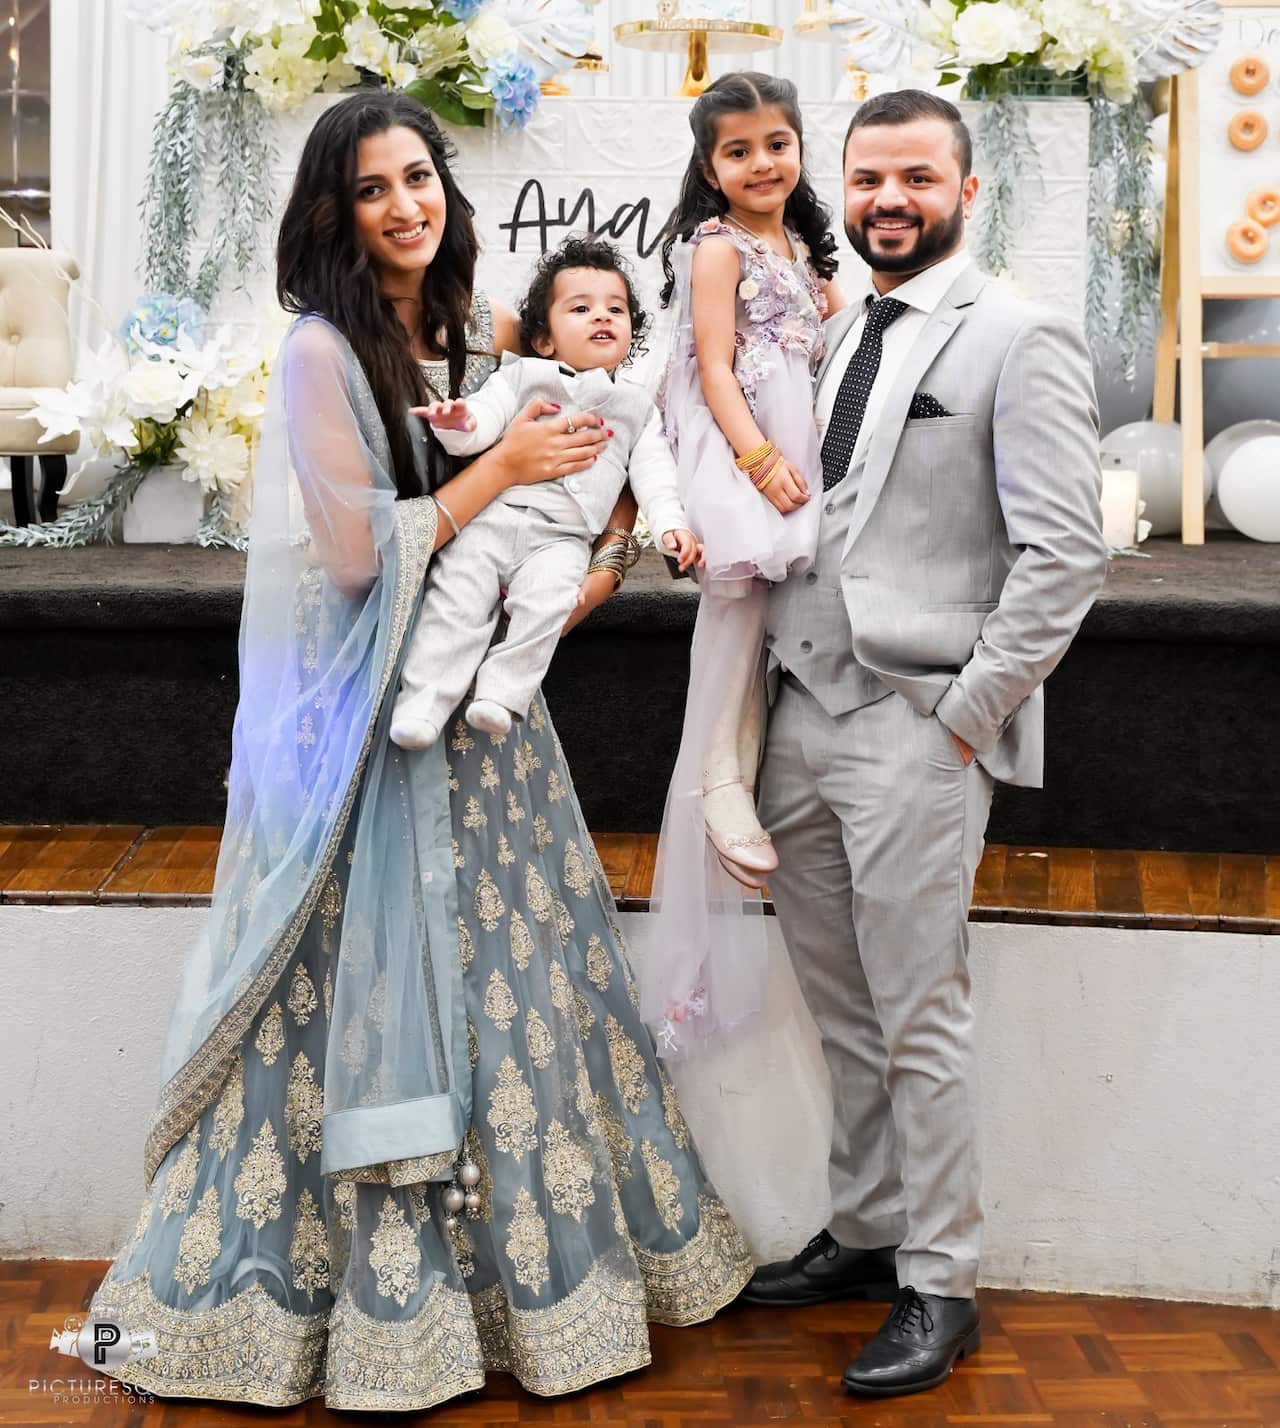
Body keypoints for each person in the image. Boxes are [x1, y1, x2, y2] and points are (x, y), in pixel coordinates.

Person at [87, 91, 753, 1412]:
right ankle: (332, 1314)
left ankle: (525, 1300)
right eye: (373, 188)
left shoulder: (470, 328)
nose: (406, 206)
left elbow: (593, 470)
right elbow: (350, 556)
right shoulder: (320, 351)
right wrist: (500, 474)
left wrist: (606, 551)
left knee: (514, 983)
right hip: (365, 732)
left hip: (487, 735)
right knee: (361, 997)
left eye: (419, 178)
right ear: (333, 214)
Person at [742, 90, 1107, 1401]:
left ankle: (940, 1280)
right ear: (840, 189)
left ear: (963, 189)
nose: (888, 199)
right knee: (841, 1009)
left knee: (919, 1015)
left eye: (915, 177)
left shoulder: (1019, 333)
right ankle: (866, 1227)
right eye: (867, 178)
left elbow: (1065, 557)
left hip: (917, 723)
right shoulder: (839, 329)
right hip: (798, 716)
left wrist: (966, 716)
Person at [639, 71, 841, 1054]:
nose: (762, 163)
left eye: (777, 144)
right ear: (709, 165)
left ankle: (741, 780)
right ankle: (719, 784)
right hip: (745, 453)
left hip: (798, 447)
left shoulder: (798, 244)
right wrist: (758, 461)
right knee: (734, 632)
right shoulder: (717, 247)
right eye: (738, 150)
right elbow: (713, 365)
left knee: (767, 633)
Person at [390, 233, 699, 750]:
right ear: (544, 340)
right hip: (492, 519)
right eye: (581, 308)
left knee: (550, 603)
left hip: (563, 540)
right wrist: (457, 421)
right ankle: (423, 703)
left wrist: (671, 526)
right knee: (455, 598)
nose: (601, 317)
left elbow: (655, 476)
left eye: (616, 309)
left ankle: (501, 694)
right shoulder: (522, 378)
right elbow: (482, 426)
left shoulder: (636, 408)